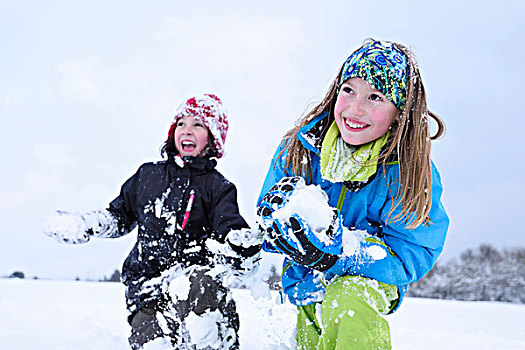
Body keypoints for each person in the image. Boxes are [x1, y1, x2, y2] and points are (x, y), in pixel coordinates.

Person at [256, 39, 449, 349]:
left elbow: (414, 249)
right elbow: (269, 210)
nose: (356, 108)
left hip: (368, 280)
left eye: (375, 96)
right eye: (349, 90)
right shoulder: (302, 147)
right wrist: (279, 220)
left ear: (400, 113)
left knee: (347, 301)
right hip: (305, 281)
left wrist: (342, 252)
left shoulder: (407, 171)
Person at [44, 94, 262, 349]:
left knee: (203, 307)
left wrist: (240, 245)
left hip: (197, 288)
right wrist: (87, 224)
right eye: (181, 124)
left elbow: (230, 226)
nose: (187, 131)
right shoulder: (148, 175)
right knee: (152, 343)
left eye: (198, 125)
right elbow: (119, 216)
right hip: (148, 287)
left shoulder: (218, 187)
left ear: (212, 138)